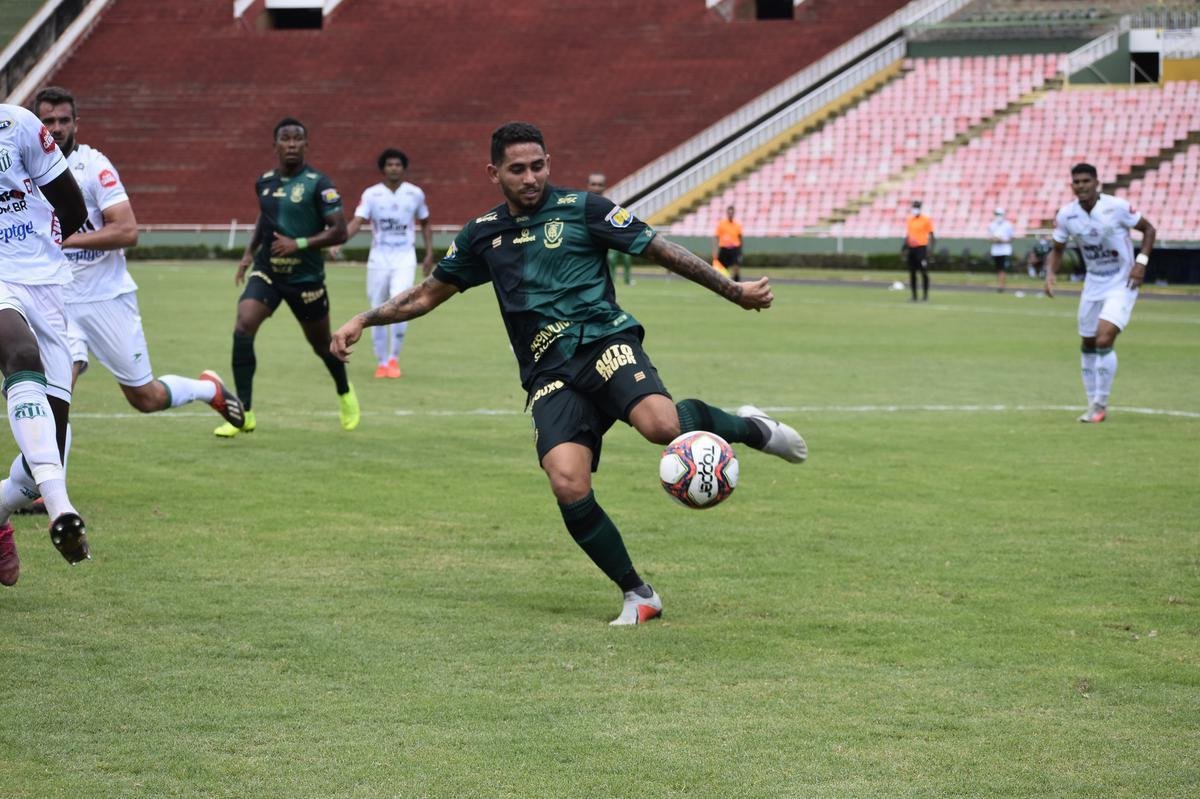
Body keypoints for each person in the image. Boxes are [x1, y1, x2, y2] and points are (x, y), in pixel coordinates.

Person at [331, 122, 807, 626]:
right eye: (518, 170)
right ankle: (638, 594)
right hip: (547, 371)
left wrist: (734, 291)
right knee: (566, 481)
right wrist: (364, 318)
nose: (531, 178)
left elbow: (661, 249)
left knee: (662, 427)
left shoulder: (587, 209)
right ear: (495, 173)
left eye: (538, 166)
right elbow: (427, 293)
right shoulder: (482, 235)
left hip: (604, 341)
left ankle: (752, 428)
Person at [34, 87, 244, 436]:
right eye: (48, 121)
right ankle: (46, 487)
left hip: (106, 298)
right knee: (57, 395)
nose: (56, 128)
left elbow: (128, 231)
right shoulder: (28, 170)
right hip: (57, 300)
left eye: (63, 120)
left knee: (145, 398)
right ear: (36, 125)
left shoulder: (94, 167)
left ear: (76, 124)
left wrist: (68, 238)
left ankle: (208, 389)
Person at [0, 102, 91, 584]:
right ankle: (60, 507)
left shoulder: (17, 125)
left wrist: (41, 244)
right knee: (19, 352)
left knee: (47, 449)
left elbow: (71, 206)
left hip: (45, 281)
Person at [219, 117, 356, 437]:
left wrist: (299, 244)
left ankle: (345, 391)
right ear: (275, 145)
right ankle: (244, 413)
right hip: (268, 271)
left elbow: (339, 232)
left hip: (305, 278)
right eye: (285, 138)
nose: (291, 144)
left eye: (297, 139)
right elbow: (265, 218)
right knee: (243, 325)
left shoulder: (320, 184)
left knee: (322, 346)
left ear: (306, 146)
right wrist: (249, 253)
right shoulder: (264, 181)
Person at [1045, 162, 1156, 424]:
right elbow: (1058, 248)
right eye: (1077, 182)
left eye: (1086, 181)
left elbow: (1149, 230)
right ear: (1072, 186)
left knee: (1103, 339)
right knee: (1087, 342)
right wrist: (1051, 273)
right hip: (1093, 284)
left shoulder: (1117, 207)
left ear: (1097, 183)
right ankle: (1091, 400)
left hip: (1122, 283)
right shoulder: (1066, 215)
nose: (1081, 185)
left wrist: (1141, 264)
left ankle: (1100, 404)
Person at [340, 148, 432, 379]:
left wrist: (429, 252)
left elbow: (425, 222)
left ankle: (394, 359)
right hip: (378, 259)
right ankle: (381, 362)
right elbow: (357, 221)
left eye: (398, 164)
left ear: (404, 168)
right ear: (383, 168)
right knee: (377, 308)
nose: (394, 168)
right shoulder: (372, 195)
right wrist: (339, 241)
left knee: (401, 304)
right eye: (389, 164)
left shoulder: (415, 194)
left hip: (404, 257)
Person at [586, 172, 633, 286]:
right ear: (588, 185)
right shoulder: (580, 205)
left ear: (604, 186)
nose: (596, 188)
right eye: (593, 184)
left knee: (625, 259)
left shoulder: (611, 206)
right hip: (588, 246)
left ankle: (625, 280)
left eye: (600, 184)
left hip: (612, 241)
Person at [901, 200, 934, 301]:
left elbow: (932, 235)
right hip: (912, 249)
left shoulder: (926, 220)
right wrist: (904, 248)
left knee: (924, 272)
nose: (915, 209)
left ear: (920, 208)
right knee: (912, 273)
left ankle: (925, 295)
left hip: (921, 248)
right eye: (914, 207)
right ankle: (914, 296)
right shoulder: (909, 220)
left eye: (917, 207)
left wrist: (930, 250)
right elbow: (909, 235)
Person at [988, 206, 1015, 292]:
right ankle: (1000, 285)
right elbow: (989, 238)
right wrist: (994, 239)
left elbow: (1012, 238)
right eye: (997, 214)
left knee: (1003, 269)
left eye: (1000, 214)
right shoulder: (991, 225)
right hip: (996, 251)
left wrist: (1003, 240)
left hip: (1005, 250)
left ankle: (1001, 286)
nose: (998, 216)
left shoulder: (1008, 225)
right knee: (998, 269)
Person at [713, 205, 743, 282]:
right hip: (724, 249)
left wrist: (740, 251)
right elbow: (716, 238)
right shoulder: (721, 224)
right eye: (729, 212)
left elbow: (740, 238)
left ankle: (737, 285)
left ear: (734, 213)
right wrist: (715, 251)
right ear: (727, 213)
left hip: (735, 249)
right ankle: (721, 286)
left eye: (732, 213)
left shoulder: (737, 225)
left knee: (736, 267)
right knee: (722, 269)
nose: (730, 214)